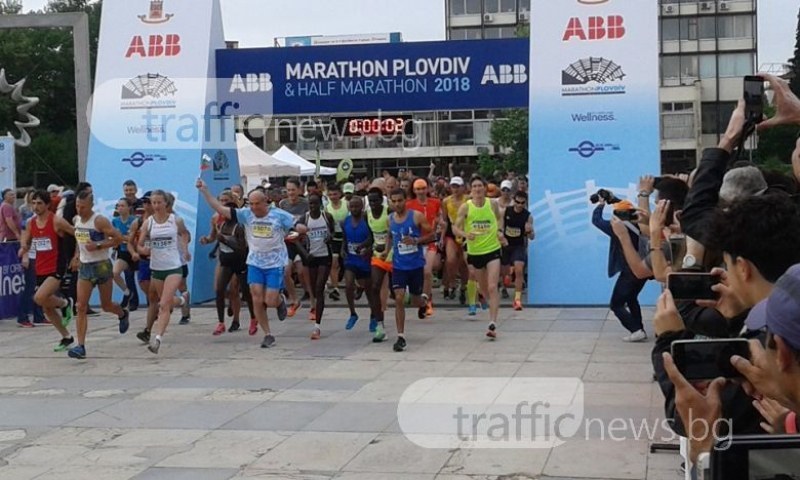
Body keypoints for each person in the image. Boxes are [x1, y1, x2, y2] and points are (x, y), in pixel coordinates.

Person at [198, 179, 304, 348]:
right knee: (256, 298)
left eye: (257, 204)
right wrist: (205, 190)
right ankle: (268, 334)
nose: (254, 207)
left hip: (275, 263)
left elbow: (296, 224)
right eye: (251, 204)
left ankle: (279, 300)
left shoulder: (278, 214)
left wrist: (301, 229)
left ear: (265, 202)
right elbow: (219, 208)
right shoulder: (246, 214)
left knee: (269, 300)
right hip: (254, 262)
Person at [67, 191, 129, 360]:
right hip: (85, 267)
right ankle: (81, 346)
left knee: (106, 305)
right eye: (77, 206)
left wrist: (99, 244)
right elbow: (80, 241)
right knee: (80, 306)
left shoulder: (99, 221)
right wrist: (76, 255)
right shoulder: (76, 220)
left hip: (101, 265)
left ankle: (122, 313)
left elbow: (118, 238)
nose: (80, 210)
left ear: (91, 205)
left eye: (83, 207)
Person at [17, 190, 75, 348]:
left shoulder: (56, 220)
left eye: (39, 203)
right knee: (47, 309)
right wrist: (24, 248)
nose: (36, 207)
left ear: (48, 205)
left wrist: (79, 254)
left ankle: (65, 303)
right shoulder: (31, 222)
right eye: (33, 203)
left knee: (38, 297)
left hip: (56, 265)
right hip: (40, 267)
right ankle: (66, 336)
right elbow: (25, 235)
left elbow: (76, 231)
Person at [137, 190, 191, 354]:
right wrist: (143, 250)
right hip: (157, 268)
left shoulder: (176, 220)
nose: (156, 206)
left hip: (174, 267)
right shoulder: (148, 223)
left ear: (166, 203)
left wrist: (185, 249)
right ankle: (182, 300)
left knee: (163, 305)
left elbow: (184, 234)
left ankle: (157, 340)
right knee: (165, 302)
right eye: (153, 203)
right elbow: (139, 244)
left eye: (159, 202)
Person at [454, 176, 506, 339]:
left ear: (485, 188)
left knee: (492, 287)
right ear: (471, 189)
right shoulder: (465, 207)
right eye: (474, 186)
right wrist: (464, 234)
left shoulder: (492, 204)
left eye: (480, 186)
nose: (477, 189)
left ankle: (492, 323)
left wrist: (499, 232)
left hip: (492, 249)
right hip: (475, 252)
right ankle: (485, 299)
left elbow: (499, 219)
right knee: (484, 289)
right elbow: (455, 227)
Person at [592, 197, 648, 342]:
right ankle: (639, 329)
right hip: (643, 268)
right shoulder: (639, 225)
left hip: (629, 270)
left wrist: (601, 204)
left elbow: (596, 221)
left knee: (616, 304)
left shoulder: (618, 227)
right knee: (631, 298)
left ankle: (635, 329)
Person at [386, 188, 435, 352]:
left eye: (400, 200)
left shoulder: (416, 216)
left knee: (415, 300)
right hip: (399, 266)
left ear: (405, 200)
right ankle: (401, 336)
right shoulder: (390, 219)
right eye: (394, 201)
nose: (397, 204)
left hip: (415, 266)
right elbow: (390, 236)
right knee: (399, 298)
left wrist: (416, 240)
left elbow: (432, 235)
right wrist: (386, 251)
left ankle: (423, 302)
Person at [201, 194, 254, 336]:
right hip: (225, 260)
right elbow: (213, 237)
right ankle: (221, 321)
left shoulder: (239, 225)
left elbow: (241, 247)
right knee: (219, 289)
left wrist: (224, 240)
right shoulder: (218, 221)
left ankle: (247, 319)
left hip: (239, 260)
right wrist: (206, 240)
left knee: (241, 291)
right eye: (222, 202)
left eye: (226, 203)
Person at [298, 193, 334, 339]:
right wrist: (304, 254)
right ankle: (317, 308)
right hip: (311, 257)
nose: (312, 206)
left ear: (320, 204)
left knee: (319, 287)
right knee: (314, 290)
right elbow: (296, 239)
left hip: (325, 256)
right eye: (310, 204)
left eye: (315, 203)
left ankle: (317, 326)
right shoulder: (304, 219)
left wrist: (329, 237)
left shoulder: (327, 217)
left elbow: (333, 233)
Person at [406, 178, 442, 317]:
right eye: (418, 189)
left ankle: (426, 300)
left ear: (427, 189)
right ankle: (419, 297)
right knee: (416, 272)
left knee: (427, 271)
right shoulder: (409, 204)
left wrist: (441, 227)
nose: (421, 191)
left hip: (430, 241)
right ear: (414, 190)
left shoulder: (436, 202)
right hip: (415, 242)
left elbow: (441, 219)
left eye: (423, 188)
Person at [341, 195, 373, 331]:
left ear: (362, 207)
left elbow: (372, 237)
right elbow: (344, 238)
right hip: (351, 259)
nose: (354, 209)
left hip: (364, 259)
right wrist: (343, 249)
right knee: (348, 284)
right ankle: (353, 313)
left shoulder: (367, 220)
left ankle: (374, 315)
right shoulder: (345, 222)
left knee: (369, 291)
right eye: (352, 206)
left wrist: (366, 247)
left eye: (357, 206)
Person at [279, 177, 310, 316]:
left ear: (299, 190)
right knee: (286, 272)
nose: (290, 193)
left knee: (303, 273)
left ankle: (310, 295)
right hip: (288, 243)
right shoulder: (282, 204)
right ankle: (294, 299)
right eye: (288, 190)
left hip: (303, 242)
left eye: (293, 190)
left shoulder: (306, 204)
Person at [367, 187, 392, 343]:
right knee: (374, 287)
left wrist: (387, 248)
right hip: (378, 256)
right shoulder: (367, 214)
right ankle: (380, 326)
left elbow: (395, 232)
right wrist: (367, 247)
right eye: (370, 201)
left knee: (398, 293)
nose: (373, 204)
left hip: (394, 254)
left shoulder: (389, 212)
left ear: (381, 199)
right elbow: (371, 236)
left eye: (376, 200)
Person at [502, 191, 534, 310]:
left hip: (519, 246)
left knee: (519, 270)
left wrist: (529, 231)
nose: (519, 205)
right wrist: (501, 237)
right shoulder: (506, 211)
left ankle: (517, 299)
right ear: (513, 200)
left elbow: (532, 237)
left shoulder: (528, 216)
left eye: (522, 203)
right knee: (504, 274)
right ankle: (507, 277)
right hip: (505, 245)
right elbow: (500, 228)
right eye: (517, 202)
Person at [441, 177, 469, 304]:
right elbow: (445, 220)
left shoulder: (468, 200)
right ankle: (452, 284)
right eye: (453, 187)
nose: (455, 189)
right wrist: (441, 237)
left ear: (463, 187)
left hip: (465, 231)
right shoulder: (446, 201)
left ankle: (463, 286)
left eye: (458, 186)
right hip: (451, 232)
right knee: (451, 259)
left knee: (464, 262)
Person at [111, 198, 136, 310]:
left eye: (122, 206)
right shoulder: (115, 221)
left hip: (135, 251)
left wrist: (122, 237)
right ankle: (127, 292)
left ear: (129, 208)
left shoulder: (134, 220)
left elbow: (134, 238)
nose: (120, 208)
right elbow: (113, 237)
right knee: (115, 273)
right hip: (123, 252)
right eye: (118, 206)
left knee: (143, 280)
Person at [325, 183, 347, 301]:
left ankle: (353, 287)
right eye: (330, 194)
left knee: (348, 264)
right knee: (334, 264)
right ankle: (335, 288)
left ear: (340, 194)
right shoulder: (327, 208)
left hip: (346, 238)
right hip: (334, 239)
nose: (333, 196)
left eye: (335, 194)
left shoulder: (346, 205)